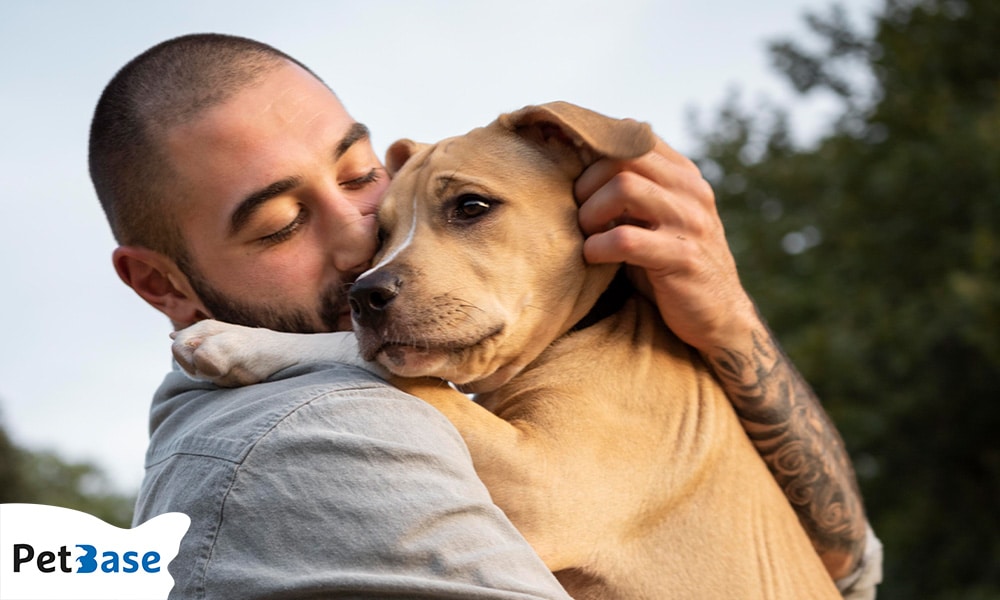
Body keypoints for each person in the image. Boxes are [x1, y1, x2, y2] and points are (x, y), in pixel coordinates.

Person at [89, 33, 881, 599]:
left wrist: (728, 324)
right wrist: (311, 359)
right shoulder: (308, 435)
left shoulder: (636, 370)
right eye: (279, 225)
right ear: (164, 287)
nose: (369, 251)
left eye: (362, 177)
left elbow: (848, 567)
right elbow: (540, 510)